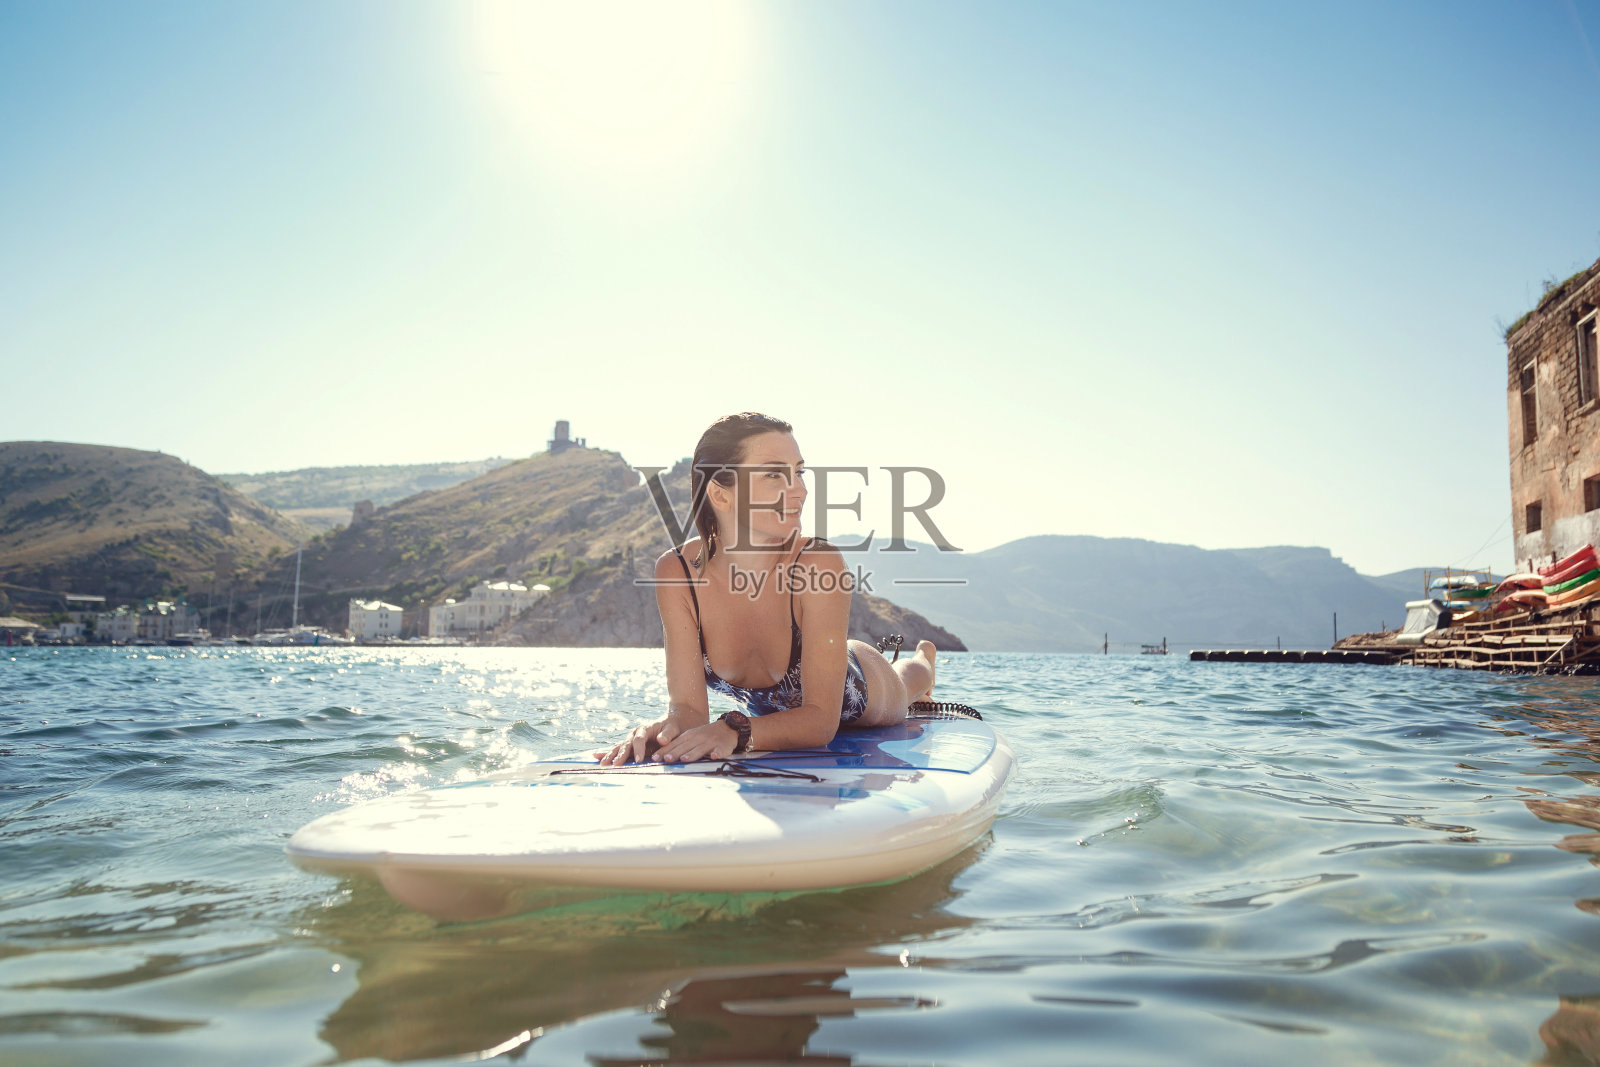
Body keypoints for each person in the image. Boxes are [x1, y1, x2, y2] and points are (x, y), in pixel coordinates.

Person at [597, 412, 937, 765]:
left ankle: (924, 659)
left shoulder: (816, 563)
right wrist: (663, 729)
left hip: (861, 687)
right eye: (774, 474)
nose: (801, 490)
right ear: (720, 495)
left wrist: (736, 730)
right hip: (762, 718)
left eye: (799, 472)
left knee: (906, 682)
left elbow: (822, 722)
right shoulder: (678, 572)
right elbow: (689, 711)